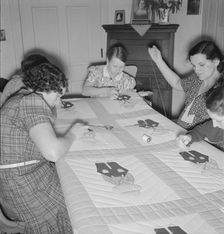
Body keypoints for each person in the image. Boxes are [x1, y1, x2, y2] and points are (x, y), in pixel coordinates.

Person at [0, 62, 90, 233]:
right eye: (58, 96)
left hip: (15, 182)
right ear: (47, 87)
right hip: (23, 185)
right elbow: (53, 152)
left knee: (72, 182)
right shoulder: (31, 102)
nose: (58, 102)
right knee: (77, 204)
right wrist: (74, 134)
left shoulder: (22, 97)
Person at [148, 40, 224, 130]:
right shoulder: (197, 79)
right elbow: (177, 83)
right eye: (194, 65)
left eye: (201, 65)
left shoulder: (221, 91)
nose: (196, 70)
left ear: (216, 61)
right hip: (181, 131)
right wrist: (158, 61)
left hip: (201, 139)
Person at [176, 85, 224, 151]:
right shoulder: (214, 126)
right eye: (212, 118)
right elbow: (200, 131)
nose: (214, 124)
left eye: (218, 120)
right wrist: (189, 137)